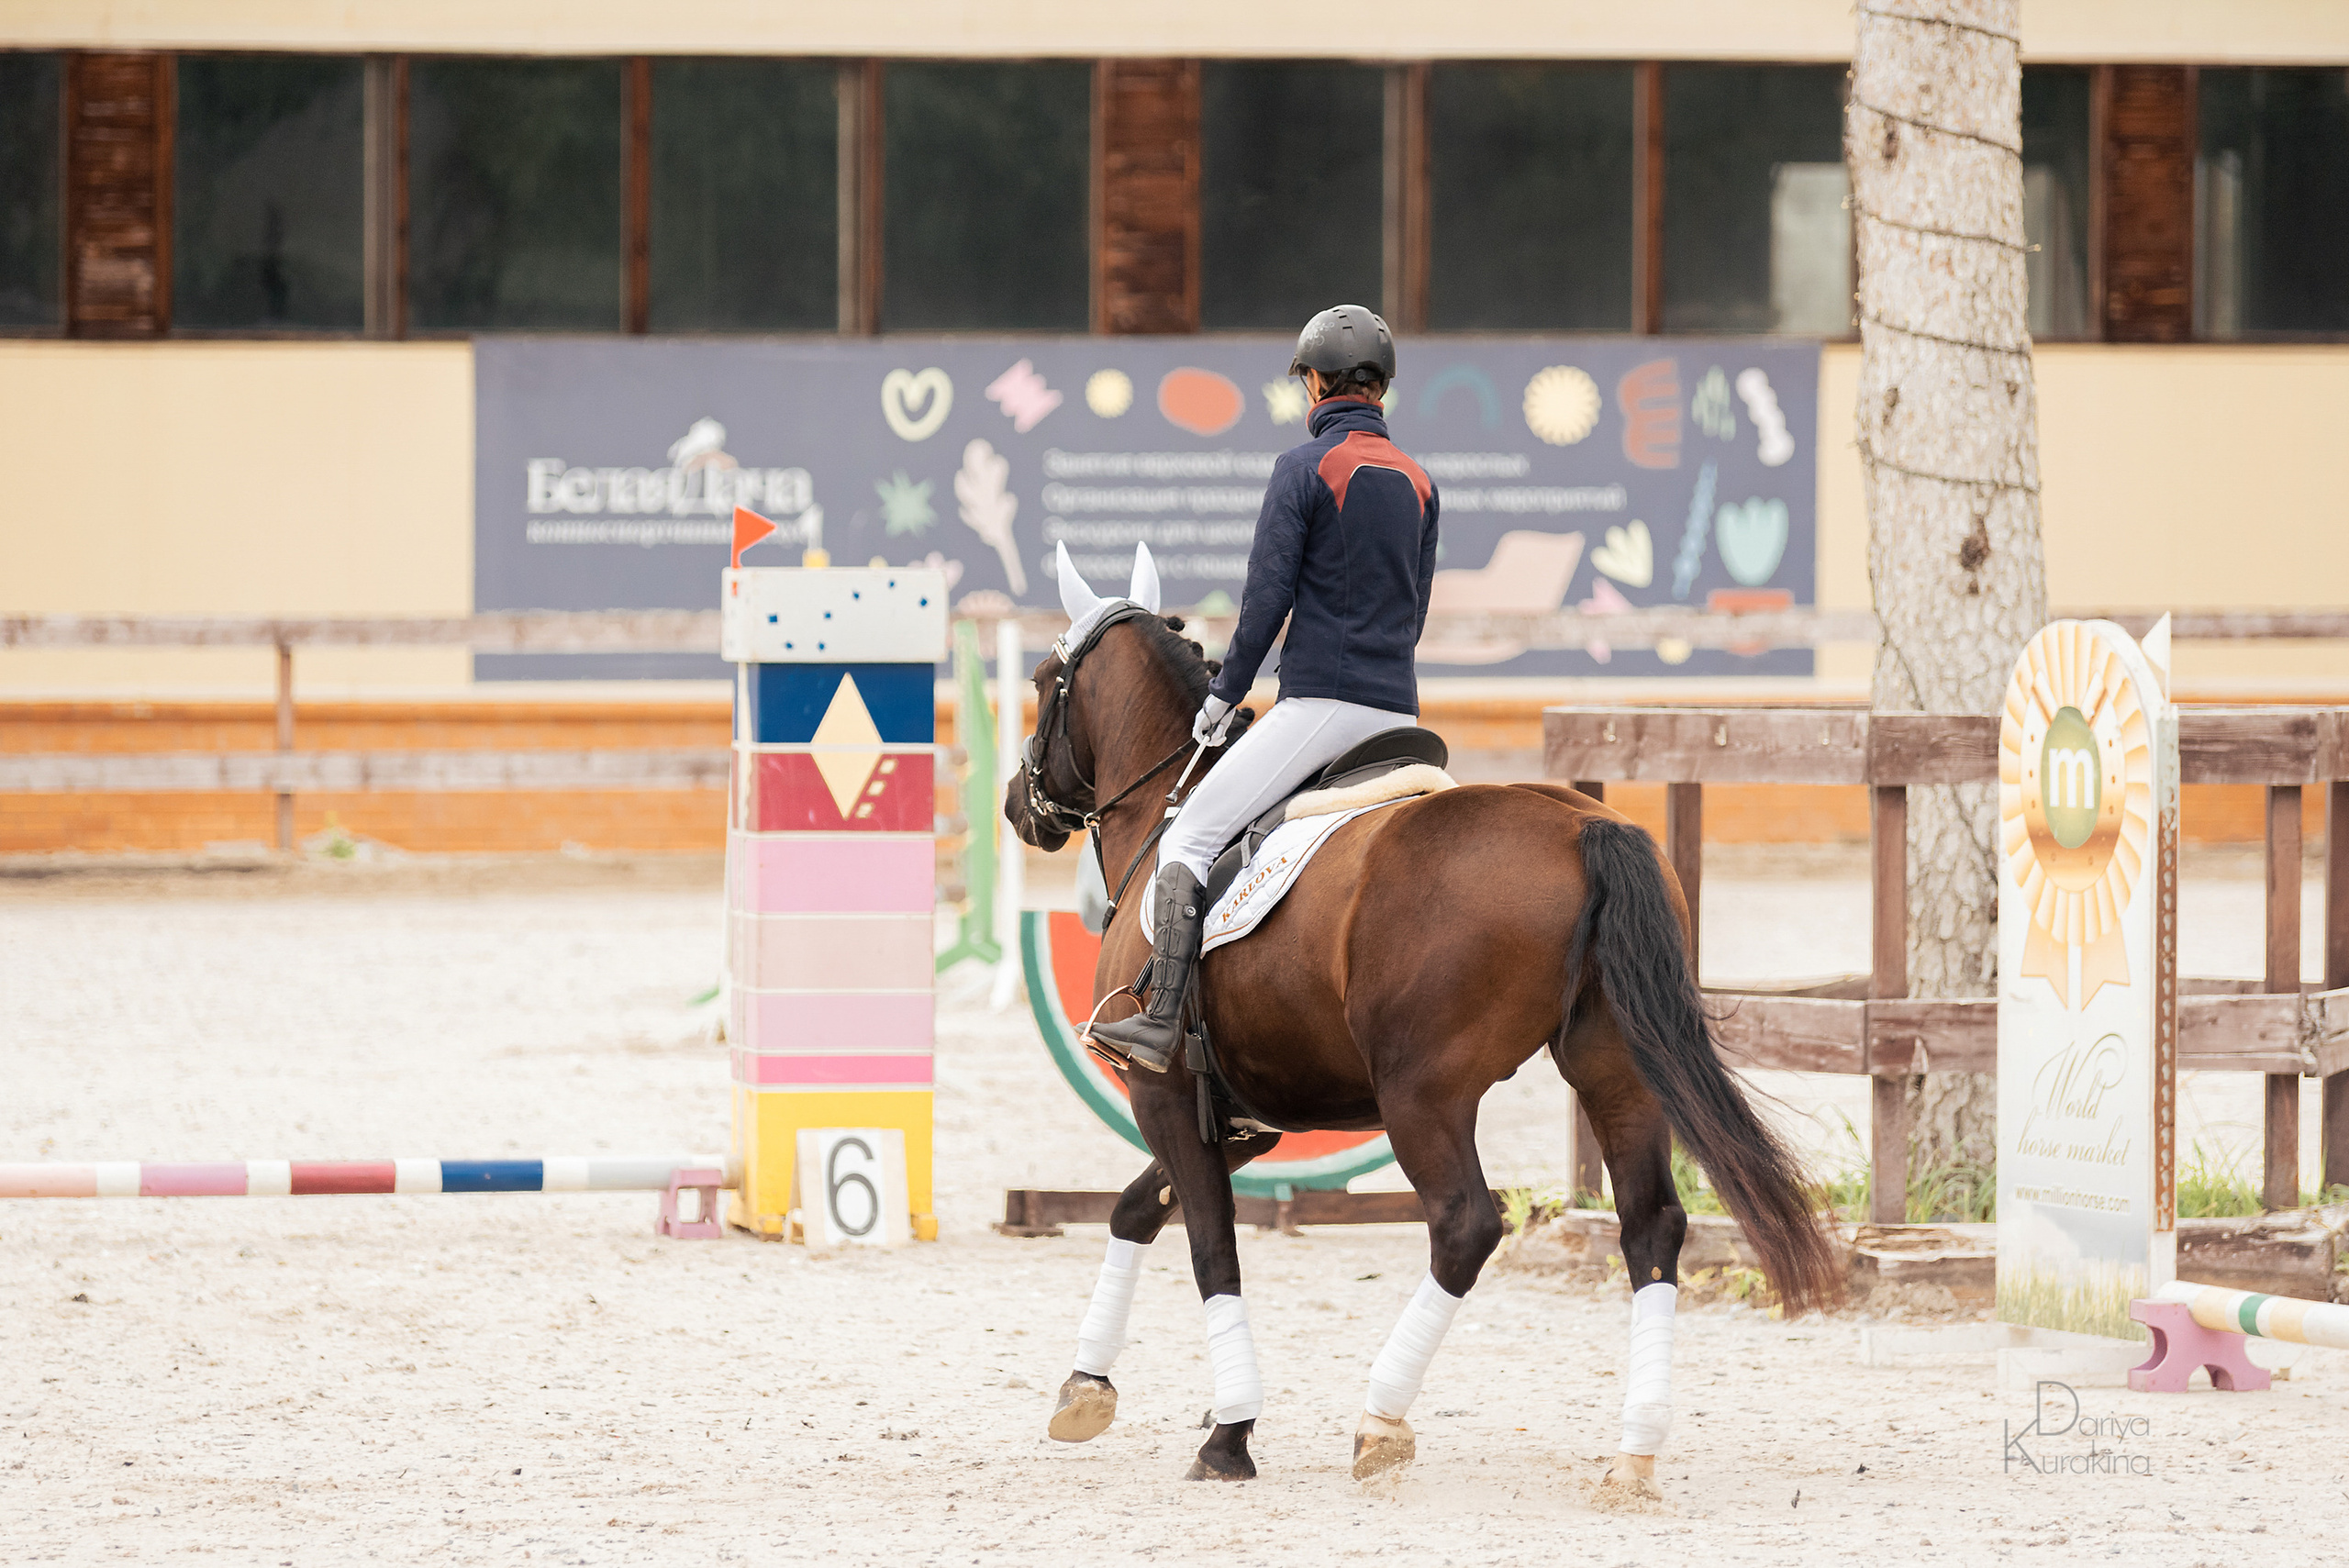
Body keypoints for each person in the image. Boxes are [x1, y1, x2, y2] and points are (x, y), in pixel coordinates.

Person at [1090, 304, 1440, 1073]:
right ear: (1380, 389)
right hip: (1401, 714)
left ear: (1316, 383)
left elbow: (1266, 603)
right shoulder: (1419, 482)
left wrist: (1222, 700)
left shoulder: (1303, 469)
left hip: (1321, 706)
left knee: (1188, 835)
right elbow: (1413, 609)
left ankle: (1161, 1021)